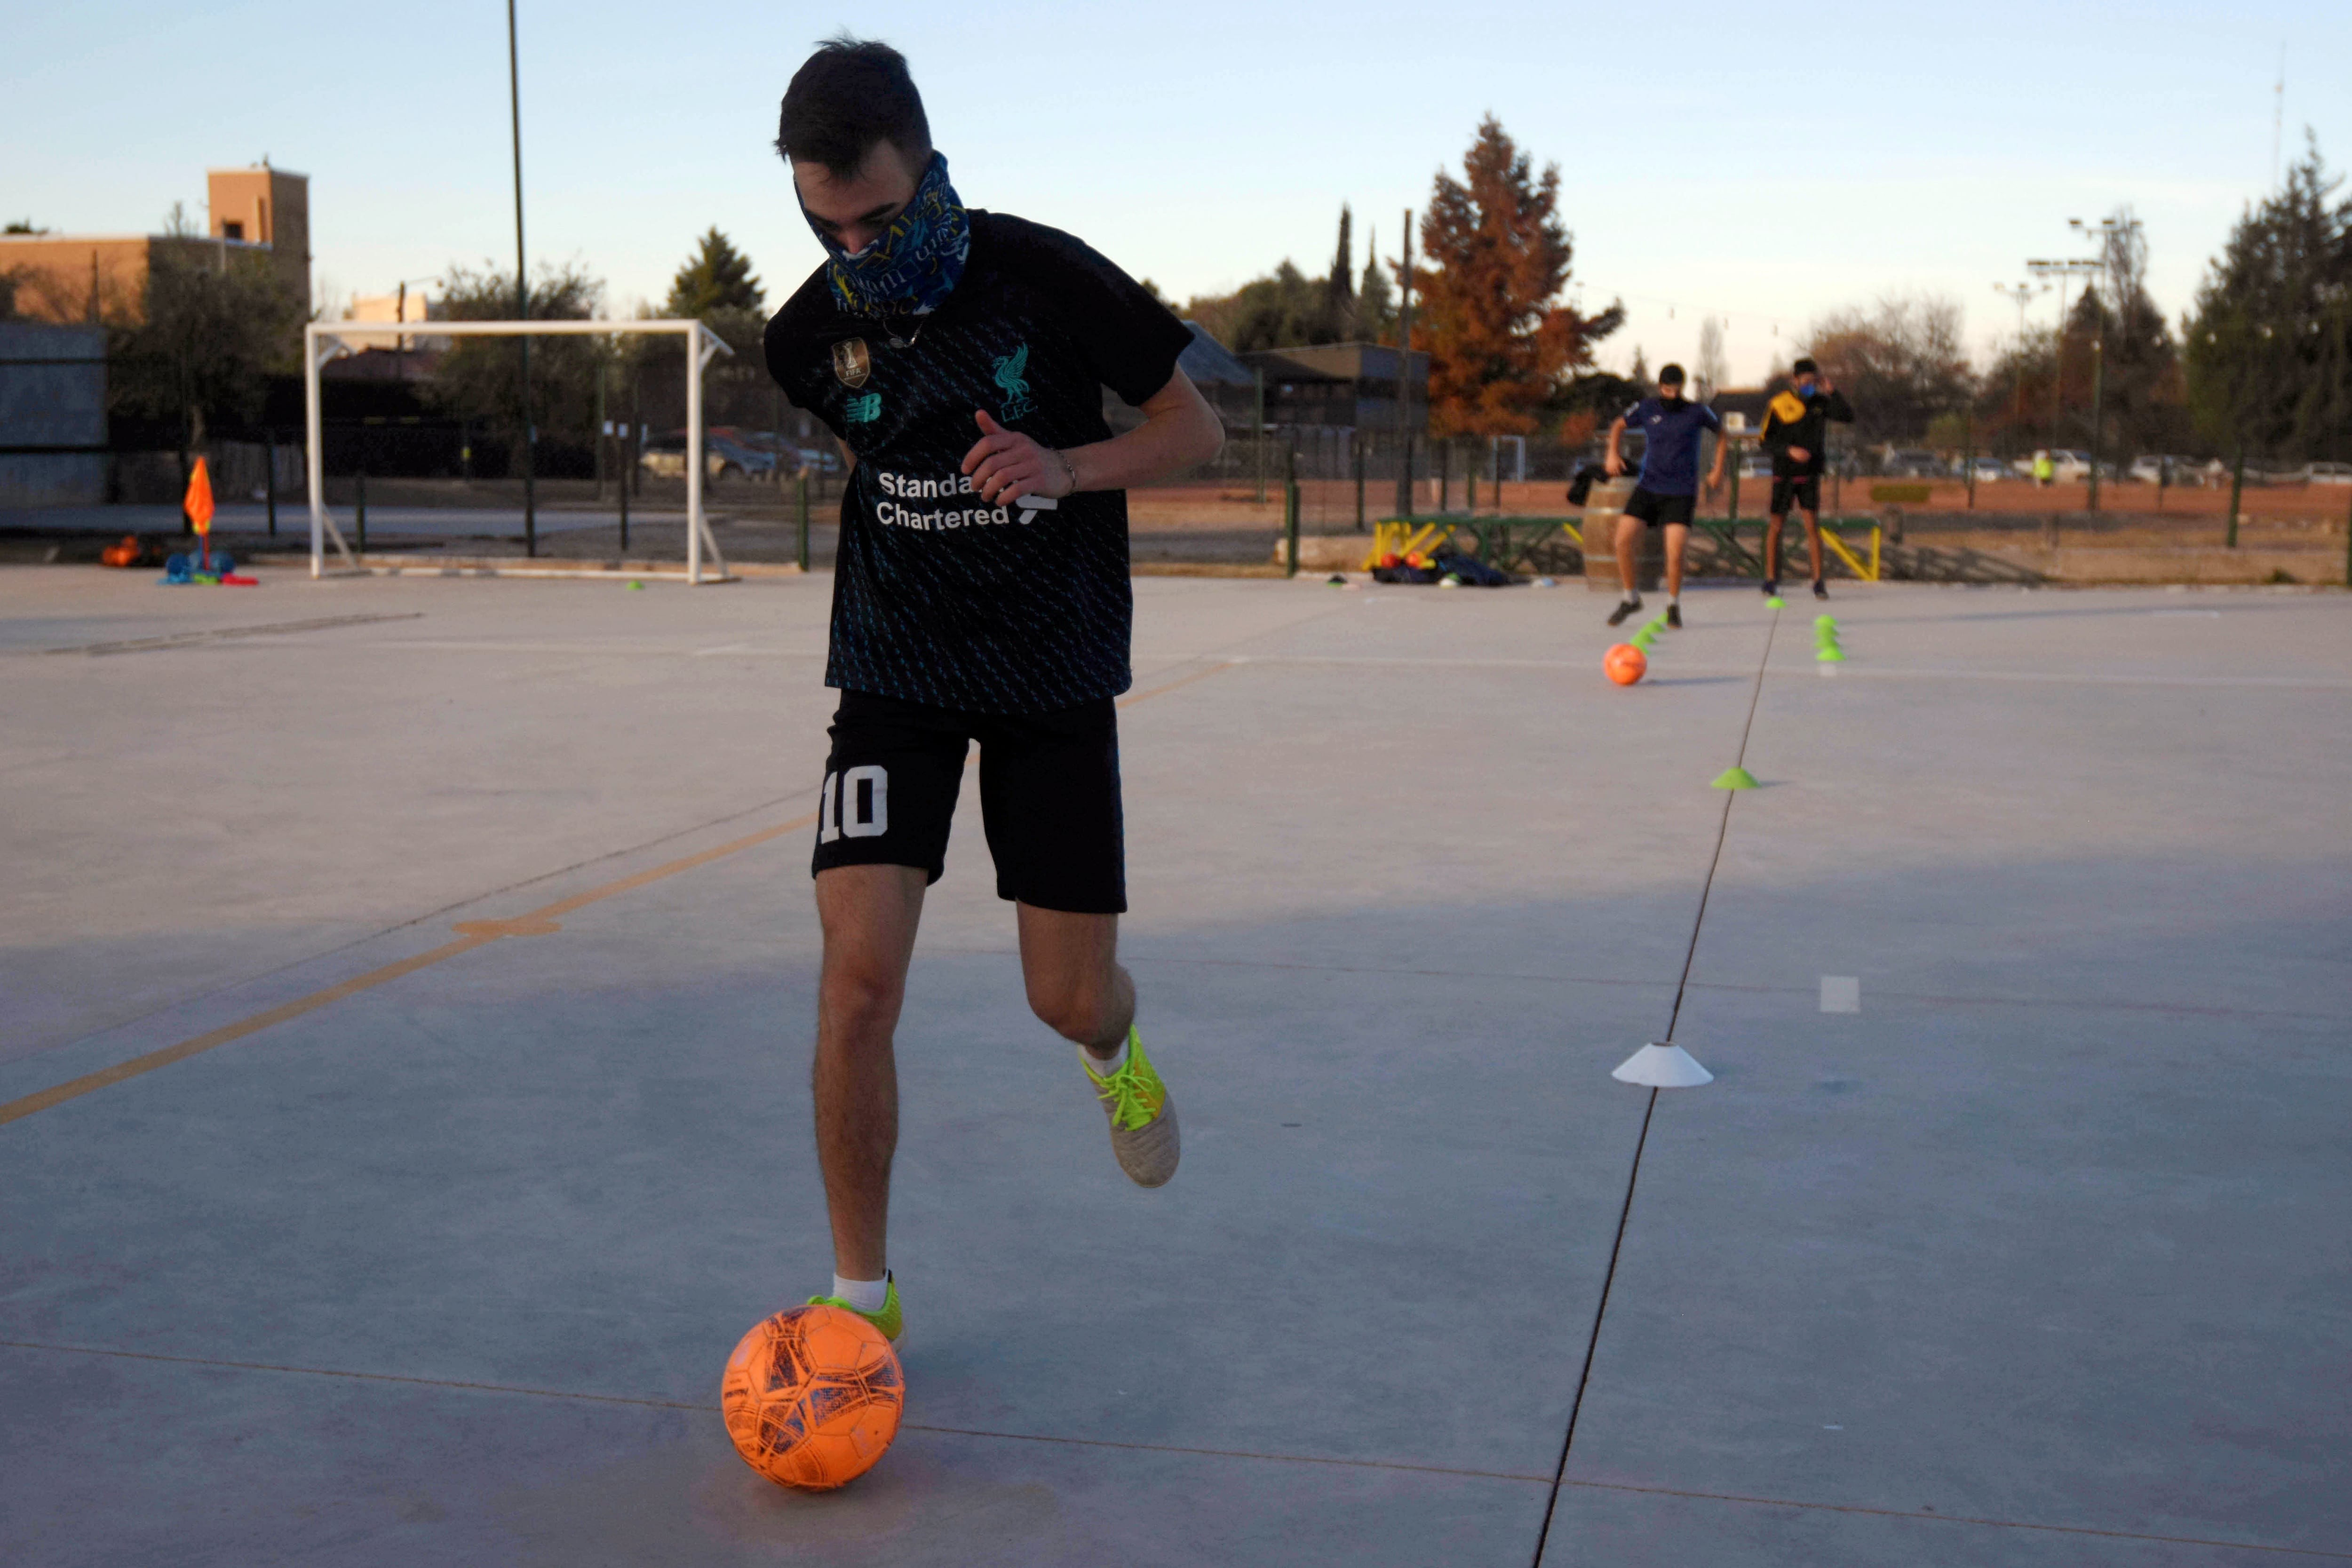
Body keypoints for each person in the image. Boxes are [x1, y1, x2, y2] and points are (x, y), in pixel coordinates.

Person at [761, 37, 1225, 1343]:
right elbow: (879, 451)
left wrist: (1066, 466)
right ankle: (865, 1300)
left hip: (1050, 668)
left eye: (884, 218)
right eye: (828, 224)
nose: (859, 248)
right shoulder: (805, 337)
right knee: (857, 982)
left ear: (929, 159)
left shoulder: (1049, 274)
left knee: (1066, 992)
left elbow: (1198, 431)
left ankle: (1116, 1056)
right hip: (896, 670)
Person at [1603, 364, 1726, 628]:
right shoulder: (1647, 408)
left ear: (1683, 388)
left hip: (1681, 491)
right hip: (1649, 486)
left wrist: (1717, 470)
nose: (1672, 394)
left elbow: (1722, 434)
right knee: (1623, 540)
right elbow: (1618, 425)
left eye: (1677, 389)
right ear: (1661, 387)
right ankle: (1631, 598)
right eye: (1667, 389)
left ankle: (1673, 604)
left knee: (1676, 549)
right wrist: (1612, 453)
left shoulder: (1696, 411)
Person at [1757, 357, 1856, 600]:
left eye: (1814, 381)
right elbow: (1765, 441)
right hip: (1785, 473)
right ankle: (1770, 579)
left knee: (1812, 525)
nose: (1809, 385)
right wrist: (1789, 451)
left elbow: (1847, 416)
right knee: (1777, 526)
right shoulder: (1779, 404)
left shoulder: (1821, 402)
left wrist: (1833, 392)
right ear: (1795, 380)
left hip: (1810, 473)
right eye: (1805, 381)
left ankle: (1818, 581)